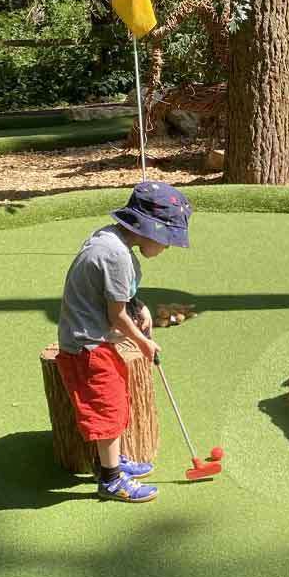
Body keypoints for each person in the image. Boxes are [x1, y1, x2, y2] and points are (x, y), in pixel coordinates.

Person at [56, 181, 193, 503]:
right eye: (167, 239)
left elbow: (116, 297)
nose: (168, 246)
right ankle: (110, 479)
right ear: (148, 230)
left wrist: (139, 305)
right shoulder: (116, 256)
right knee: (108, 411)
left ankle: (114, 461)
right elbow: (116, 317)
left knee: (116, 405)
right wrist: (144, 343)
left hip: (94, 339)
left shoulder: (110, 238)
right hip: (87, 346)